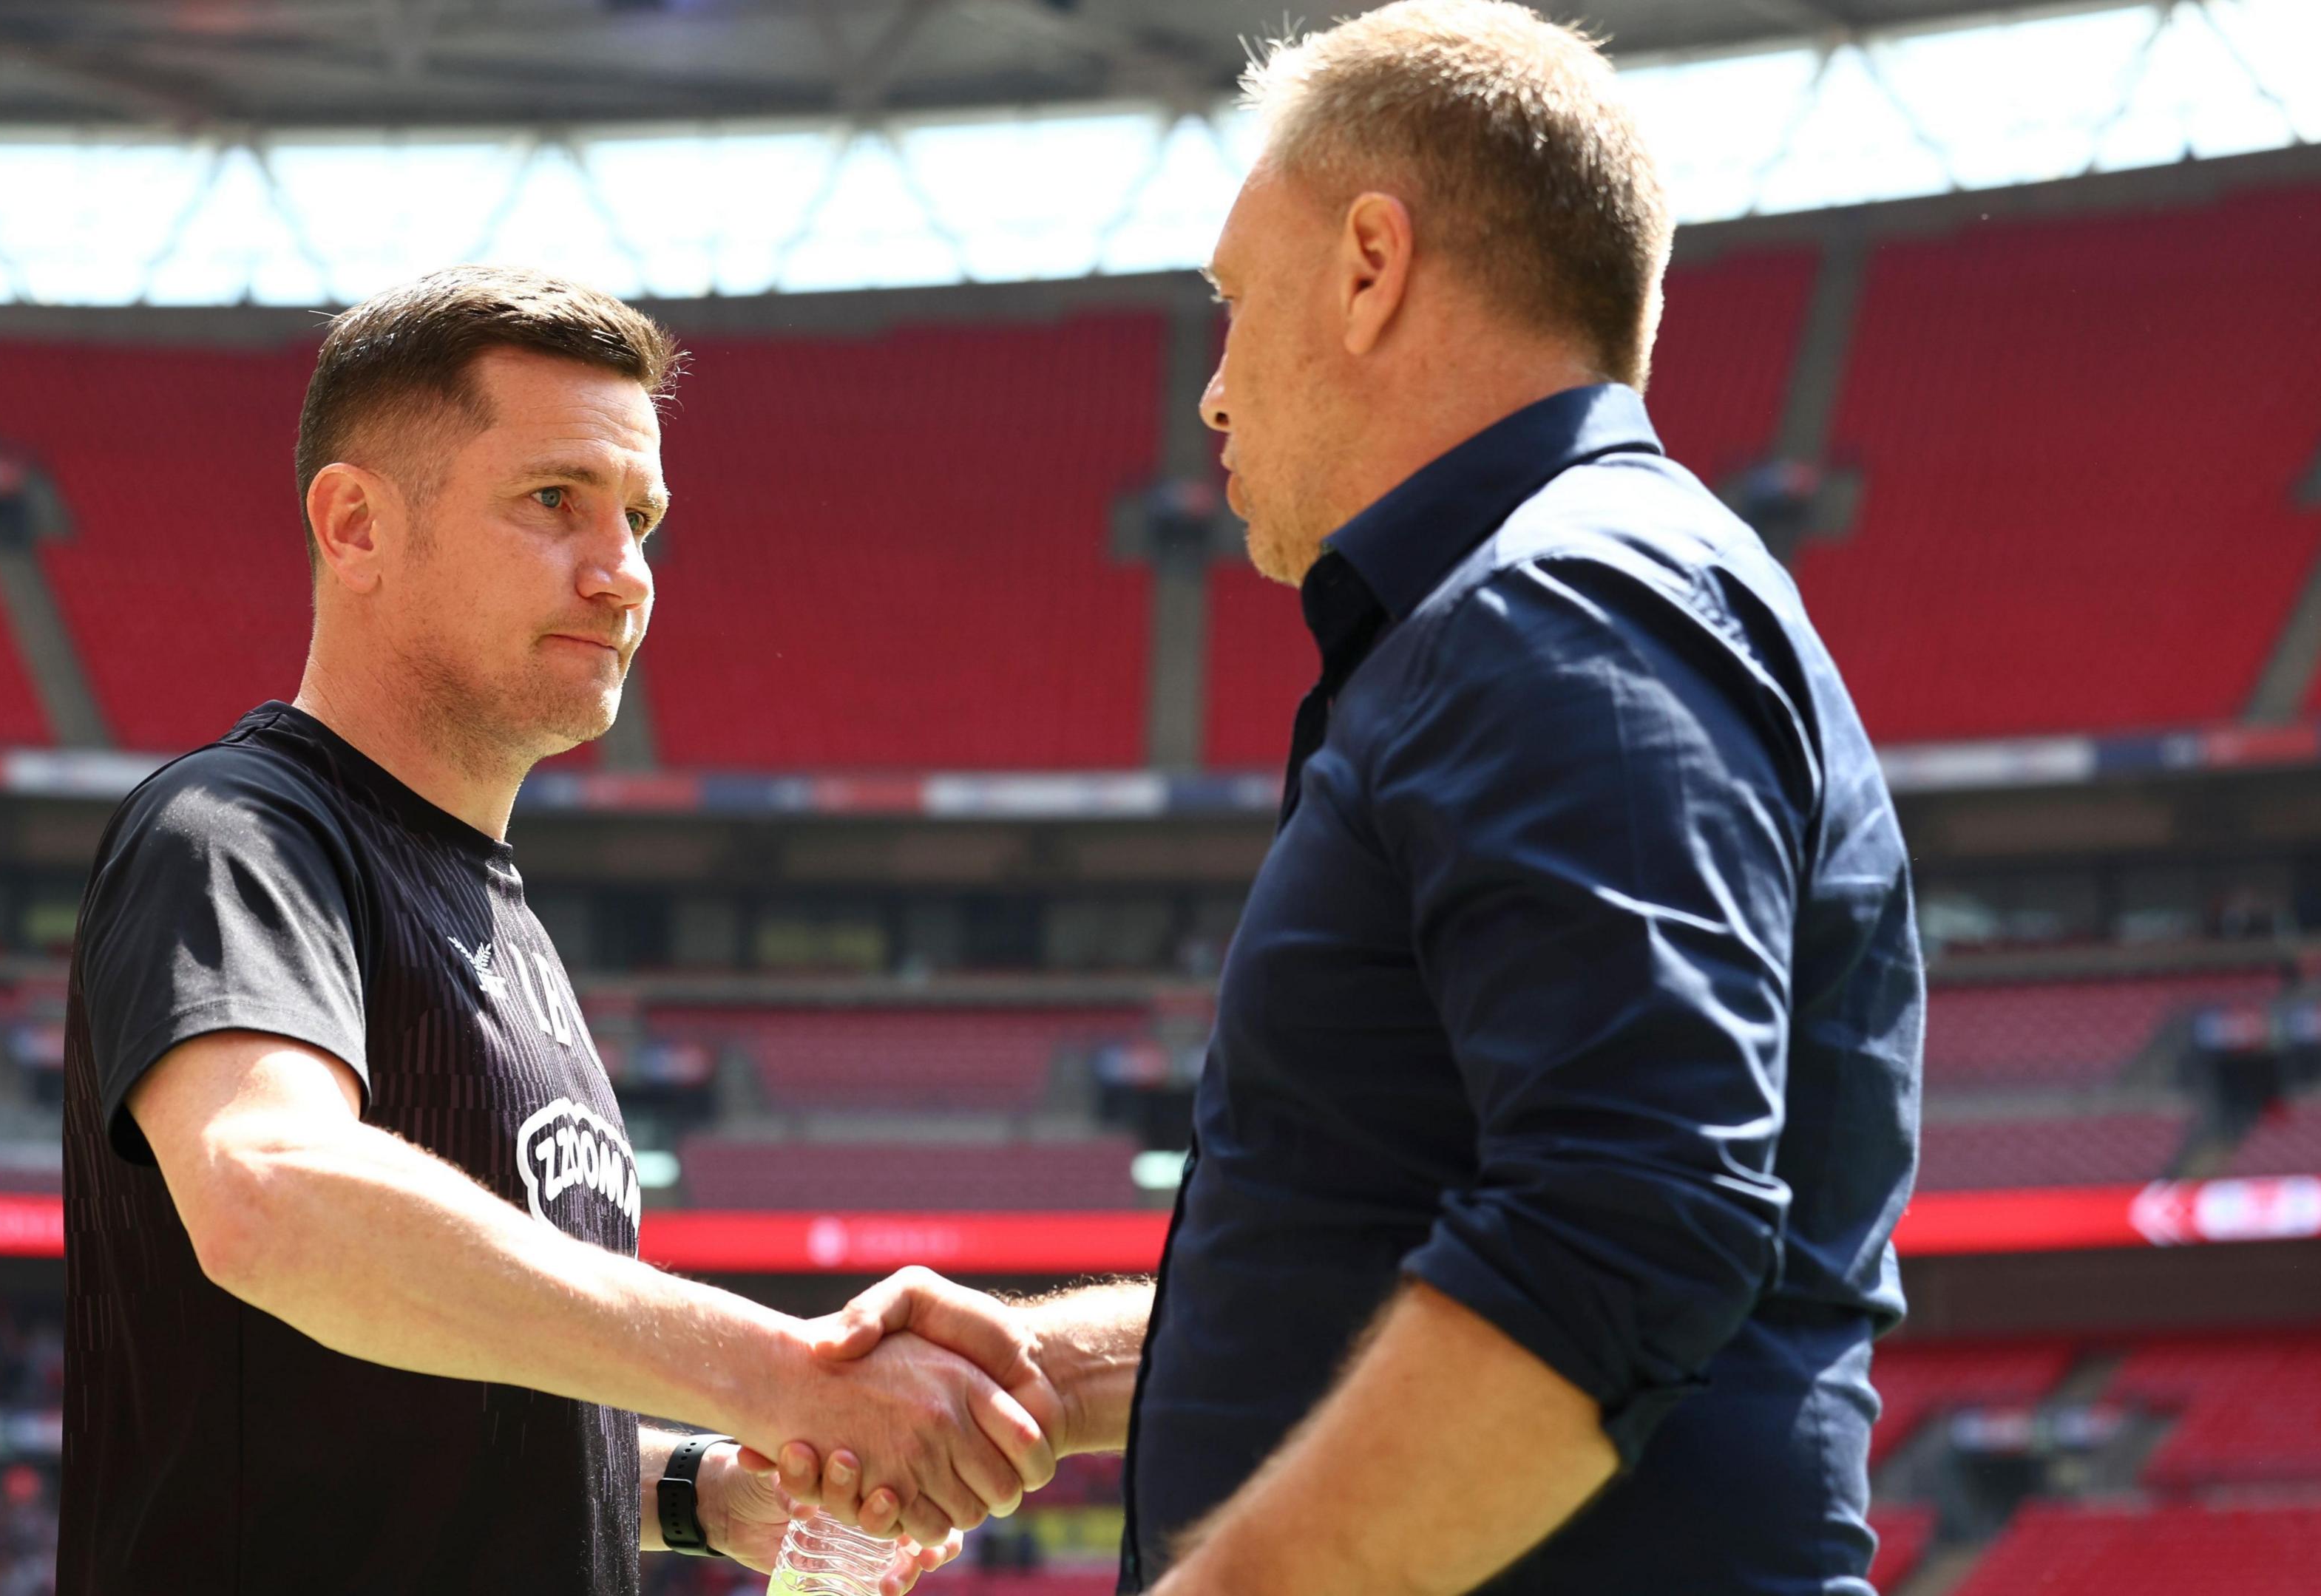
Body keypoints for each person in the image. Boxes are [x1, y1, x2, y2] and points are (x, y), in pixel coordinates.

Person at [765, 4, 1925, 1592]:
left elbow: (1627, 1222)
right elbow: (1463, 1217)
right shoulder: (1537, 609)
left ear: (1371, 267)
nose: (1213, 394)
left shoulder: (1565, 611)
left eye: (1234, 308)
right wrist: (1072, 1372)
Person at [57, 266, 1054, 1595]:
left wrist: (704, 1493)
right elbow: (271, 1197)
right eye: (554, 503)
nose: (624, 573)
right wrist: (787, 1374)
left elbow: (418, 1425)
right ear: (354, 526)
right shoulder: (235, 832)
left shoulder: (495, 911)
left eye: (641, 517)